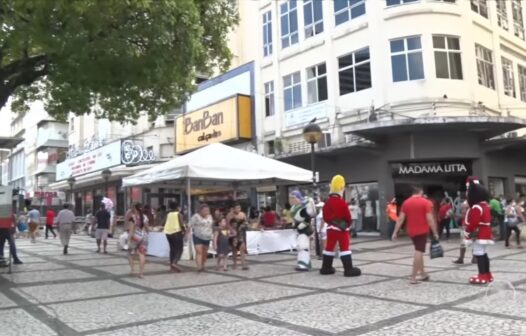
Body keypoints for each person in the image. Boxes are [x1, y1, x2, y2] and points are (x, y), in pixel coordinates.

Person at [392, 185, 439, 284]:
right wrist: (435, 232)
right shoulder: (425, 202)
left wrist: (395, 232)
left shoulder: (406, 203)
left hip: (411, 231)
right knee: (419, 252)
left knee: (419, 250)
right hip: (422, 231)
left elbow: (400, 219)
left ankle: (423, 274)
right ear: (420, 191)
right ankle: (413, 277)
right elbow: (430, 219)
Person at [320, 175, 361, 277]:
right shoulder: (342, 202)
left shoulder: (327, 203)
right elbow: (348, 217)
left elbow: (325, 217)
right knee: (344, 248)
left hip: (330, 229)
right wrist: (348, 224)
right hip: (342, 230)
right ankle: (348, 269)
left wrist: (331, 222)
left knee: (329, 247)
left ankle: (326, 267)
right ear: (341, 188)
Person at [464, 177, 494, 284]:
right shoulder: (485, 205)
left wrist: (467, 231)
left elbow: (473, 222)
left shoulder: (477, 207)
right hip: (485, 232)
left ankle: (482, 275)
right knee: (483, 253)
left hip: (479, 233)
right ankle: (487, 274)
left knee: (479, 254)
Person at [289, 191, 316, 271]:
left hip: (304, 229)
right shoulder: (294, 207)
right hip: (299, 229)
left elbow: (308, 218)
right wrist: (294, 224)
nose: (291, 200)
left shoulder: (303, 207)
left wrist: (302, 225)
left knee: (303, 246)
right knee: (300, 246)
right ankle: (302, 263)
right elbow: (295, 218)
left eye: (293, 198)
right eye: (290, 198)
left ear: (298, 198)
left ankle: (304, 264)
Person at [189, 204, 214, 272]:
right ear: (200, 211)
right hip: (197, 236)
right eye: (205, 210)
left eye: (207, 210)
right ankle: (199, 267)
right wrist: (187, 234)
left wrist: (213, 235)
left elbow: (211, 226)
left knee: (205, 253)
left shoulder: (210, 216)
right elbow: (190, 225)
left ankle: (203, 265)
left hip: (207, 236)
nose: (206, 212)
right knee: (199, 252)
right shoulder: (196, 216)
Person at [128, 203, 148, 278]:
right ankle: (141, 273)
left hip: (135, 237)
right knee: (142, 254)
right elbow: (147, 228)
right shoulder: (145, 217)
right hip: (144, 237)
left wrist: (129, 239)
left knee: (130, 253)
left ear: (135, 209)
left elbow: (131, 230)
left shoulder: (133, 218)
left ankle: (132, 269)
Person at [163, 200, 185, 272]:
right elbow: (181, 224)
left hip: (168, 233)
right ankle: (174, 263)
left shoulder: (168, 214)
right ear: (177, 207)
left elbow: (163, 222)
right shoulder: (178, 214)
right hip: (176, 232)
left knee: (172, 249)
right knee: (179, 249)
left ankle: (171, 266)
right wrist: (184, 230)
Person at [227, 203, 249, 270]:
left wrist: (243, 226)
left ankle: (243, 264)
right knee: (234, 250)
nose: (238, 209)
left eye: (239, 208)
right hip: (233, 234)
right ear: (233, 208)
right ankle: (234, 264)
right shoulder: (229, 215)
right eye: (237, 208)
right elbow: (227, 224)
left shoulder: (242, 214)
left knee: (242, 248)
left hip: (240, 233)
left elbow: (246, 223)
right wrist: (232, 231)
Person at [453, 199, 471, 264]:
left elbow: (464, 215)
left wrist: (455, 215)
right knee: (471, 242)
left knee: (463, 243)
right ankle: (474, 258)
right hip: (469, 224)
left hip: (467, 225)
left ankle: (461, 258)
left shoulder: (466, 203)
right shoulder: (473, 202)